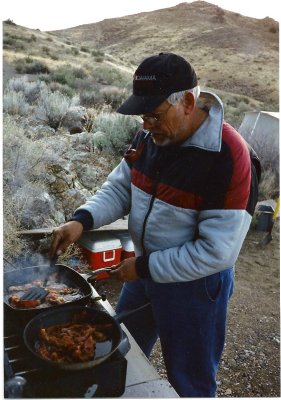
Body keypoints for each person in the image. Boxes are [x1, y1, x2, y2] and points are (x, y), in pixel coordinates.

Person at [50, 53, 260, 397]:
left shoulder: (227, 155)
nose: (146, 124)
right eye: (142, 115)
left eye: (154, 115)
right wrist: (81, 221)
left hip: (196, 286)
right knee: (123, 352)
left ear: (188, 102)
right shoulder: (151, 136)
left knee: (190, 378)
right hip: (144, 271)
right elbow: (121, 188)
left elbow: (217, 252)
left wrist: (143, 267)